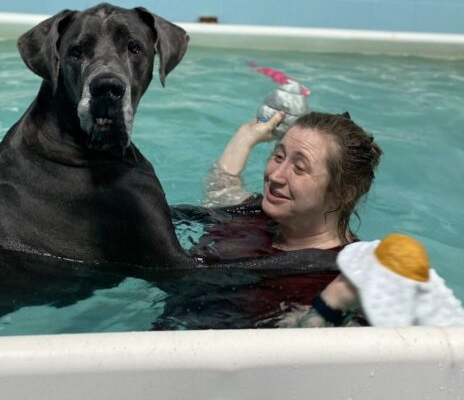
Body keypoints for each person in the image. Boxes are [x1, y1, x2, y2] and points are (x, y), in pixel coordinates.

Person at [156, 109, 382, 329]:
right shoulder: (253, 214)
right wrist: (245, 139)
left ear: (343, 193)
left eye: (299, 168)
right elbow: (223, 186)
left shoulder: (345, 279)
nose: (275, 176)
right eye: (278, 156)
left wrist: (330, 307)